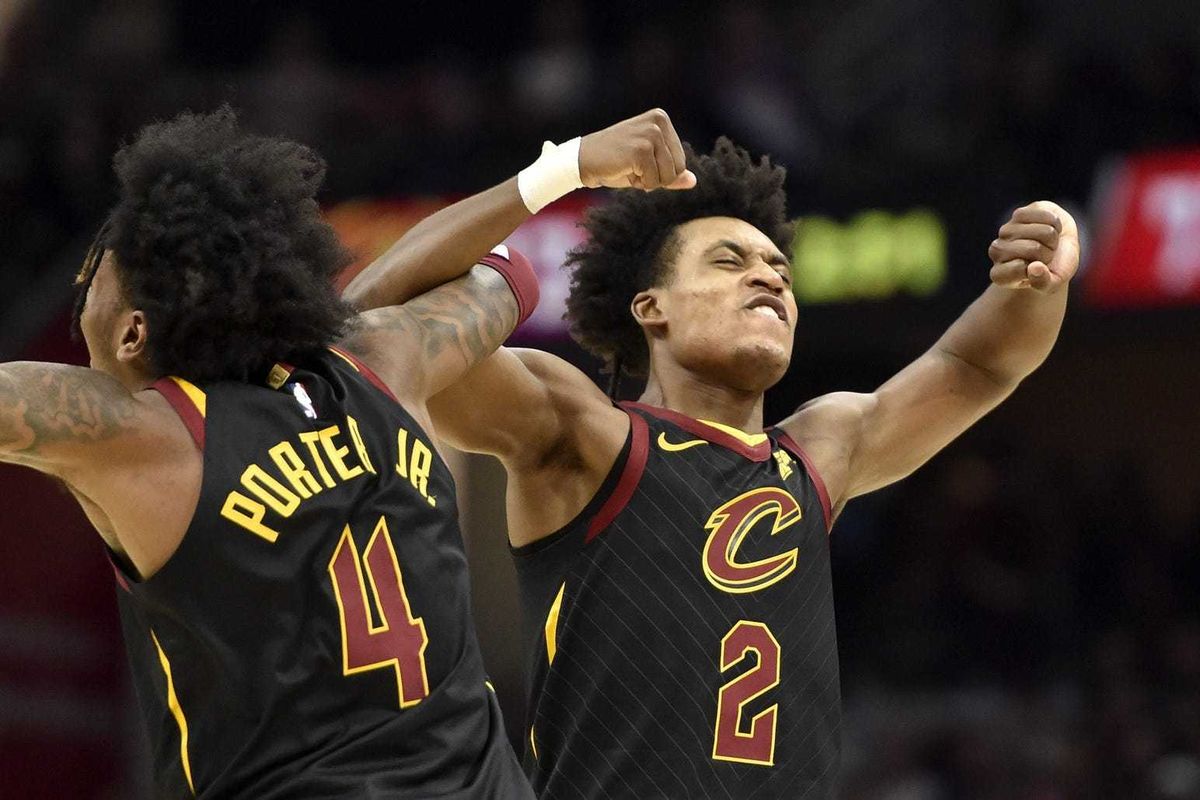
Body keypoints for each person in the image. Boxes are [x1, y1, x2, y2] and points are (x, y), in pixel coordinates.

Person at [355, 131, 1079, 798]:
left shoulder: (819, 450)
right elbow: (369, 327)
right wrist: (560, 170)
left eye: (779, 270)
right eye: (730, 262)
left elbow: (979, 362)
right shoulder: (580, 432)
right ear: (650, 307)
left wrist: (1046, 264)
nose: (768, 280)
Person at [0, 106, 690, 798]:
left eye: (89, 282)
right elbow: (505, 274)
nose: (80, 298)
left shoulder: (142, 435)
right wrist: (562, 169)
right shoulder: (379, 366)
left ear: (131, 334)